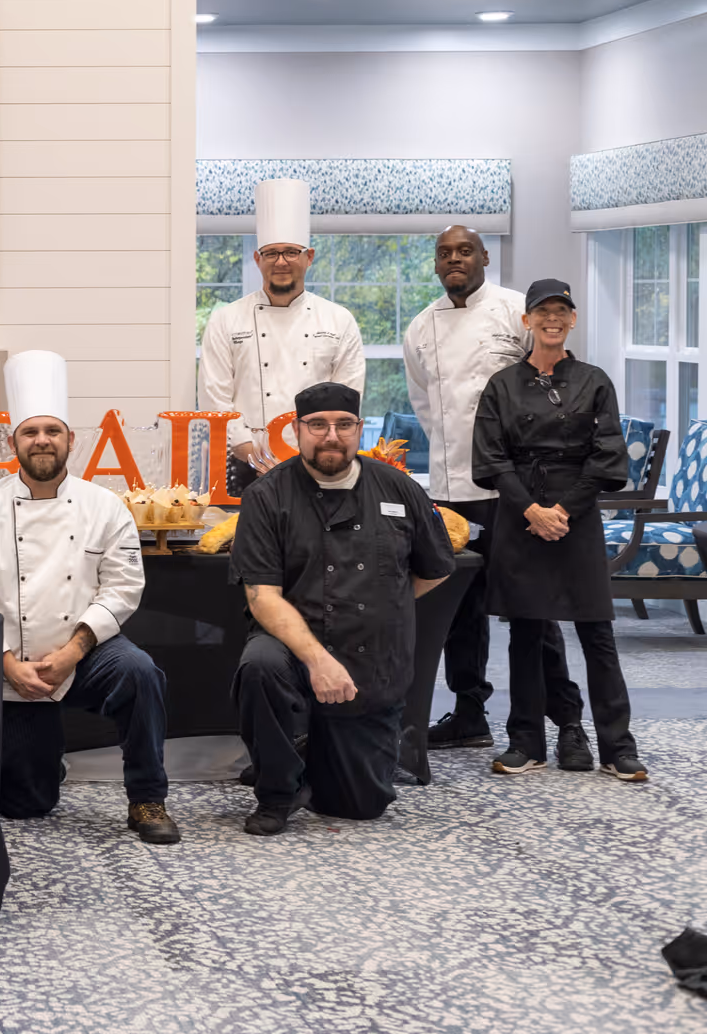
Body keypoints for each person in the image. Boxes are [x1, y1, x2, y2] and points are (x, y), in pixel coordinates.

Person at [0, 349, 180, 843]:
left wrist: (74, 651)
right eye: (31, 433)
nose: (42, 441)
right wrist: (9, 664)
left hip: (85, 649)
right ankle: (44, 764)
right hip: (8, 660)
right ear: (14, 444)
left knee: (140, 673)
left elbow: (122, 587)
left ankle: (147, 796)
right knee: (25, 806)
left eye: (52, 431)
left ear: (71, 440)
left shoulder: (104, 507)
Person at [231, 381, 455, 836]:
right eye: (317, 425)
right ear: (296, 430)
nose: (331, 435)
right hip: (294, 650)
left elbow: (438, 567)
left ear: (358, 428)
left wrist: (383, 603)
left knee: (358, 806)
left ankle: (310, 750)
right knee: (259, 665)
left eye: (343, 424)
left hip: (373, 662)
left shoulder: (398, 487)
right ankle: (277, 789)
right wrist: (317, 660)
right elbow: (262, 596)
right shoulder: (266, 495)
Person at [404, 228, 586, 763]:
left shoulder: (515, 311)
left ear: (485, 257)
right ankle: (468, 714)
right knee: (456, 607)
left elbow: (555, 385)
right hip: (448, 485)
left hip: (514, 486)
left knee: (532, 604)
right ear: (436, 263)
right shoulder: (421, 327)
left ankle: (568, 720)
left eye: (465, 251)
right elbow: (425, 405)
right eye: (444, 253)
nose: (454, 259)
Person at [473, 279, 648, 782]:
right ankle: (526, 741)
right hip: (519, 509)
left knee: (597, 630)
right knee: (525, 631)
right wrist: (531, 509)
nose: (552, 318)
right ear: (526, 321)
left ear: (573, 320)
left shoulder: (594, 380)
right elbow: (491, 457)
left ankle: (617, 746)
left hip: (578, 508)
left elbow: (608, 455)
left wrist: (562, 511)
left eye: (561, 311)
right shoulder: (502, 384)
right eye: (542, 311)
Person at [200, 177, 366, 496]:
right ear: (257, 259)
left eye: (291, 252)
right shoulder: (226, 319)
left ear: (309, 256)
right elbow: (215, 399)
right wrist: (253, 455)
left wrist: (307, 453)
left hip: (318, 463)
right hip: (243, 465)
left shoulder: (339, 320)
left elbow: (348, 398)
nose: (281, 262)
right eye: (271, 253)